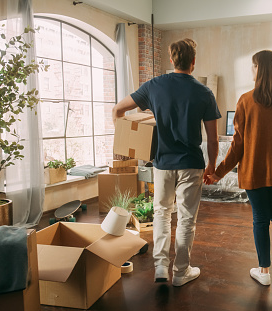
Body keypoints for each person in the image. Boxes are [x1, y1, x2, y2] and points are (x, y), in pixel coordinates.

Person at [112, 38, 221, 287]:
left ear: (171, 61)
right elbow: (212, 139)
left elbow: (118, 109)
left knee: (161, 213)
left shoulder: (154, 86)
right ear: (193, 63)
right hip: (191, 163)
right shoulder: (204, 92)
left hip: (162, 163)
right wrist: (212, 166)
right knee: (186, 219)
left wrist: (120, 138)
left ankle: (160, 267)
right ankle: (181, 272)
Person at [206, 50, 272, 287]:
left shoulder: (245, 100)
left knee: (260, 220)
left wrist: (218, 172)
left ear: (258, 69)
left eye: (252, 67)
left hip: (255, 172)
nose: (251, 71)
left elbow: (237, 145)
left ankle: (263, 270)